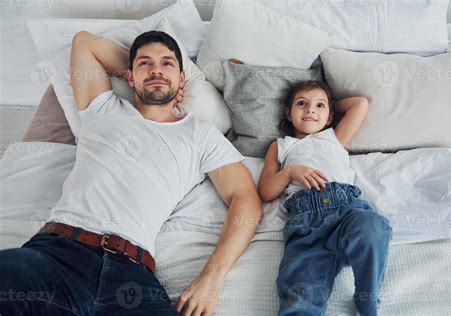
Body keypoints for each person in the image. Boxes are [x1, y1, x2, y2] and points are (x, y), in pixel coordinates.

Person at [0, 30, 262, 315]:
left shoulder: (201, 135)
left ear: (182, 79)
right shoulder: (101, 108)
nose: (156, 70)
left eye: (167, 63)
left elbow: (245, 198)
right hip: (56, 257)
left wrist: (211, 279)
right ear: (129, 76)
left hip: (130, 277)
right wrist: (148, 71)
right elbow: (83, 42)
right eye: (145, 63)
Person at [258, 80, 392, 316]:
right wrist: (290, 171)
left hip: (346, 210)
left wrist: (330, 106)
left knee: (372, 228)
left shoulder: (334, 137)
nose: (310, 110)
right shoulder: (280, 146)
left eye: (319, 106)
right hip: (307, 225)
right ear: (287, 113)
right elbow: (266, 190)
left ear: (329, 117)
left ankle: (367, 300)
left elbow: (359, 104)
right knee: (300, 298)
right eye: (302, 104)